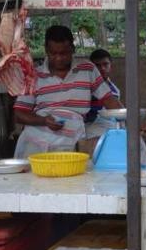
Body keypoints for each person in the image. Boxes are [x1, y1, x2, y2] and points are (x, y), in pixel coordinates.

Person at [13, 26, 122, 157]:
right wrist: (44, 121)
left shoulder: (87, 69)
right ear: (46, 50)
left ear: (72, 49)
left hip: (74, 137)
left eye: (63, 53)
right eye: (53, 53)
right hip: (38, 138)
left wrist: (130, 120)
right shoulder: (33, 75)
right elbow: (19, 114)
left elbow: (108, 99)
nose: (58, 58)